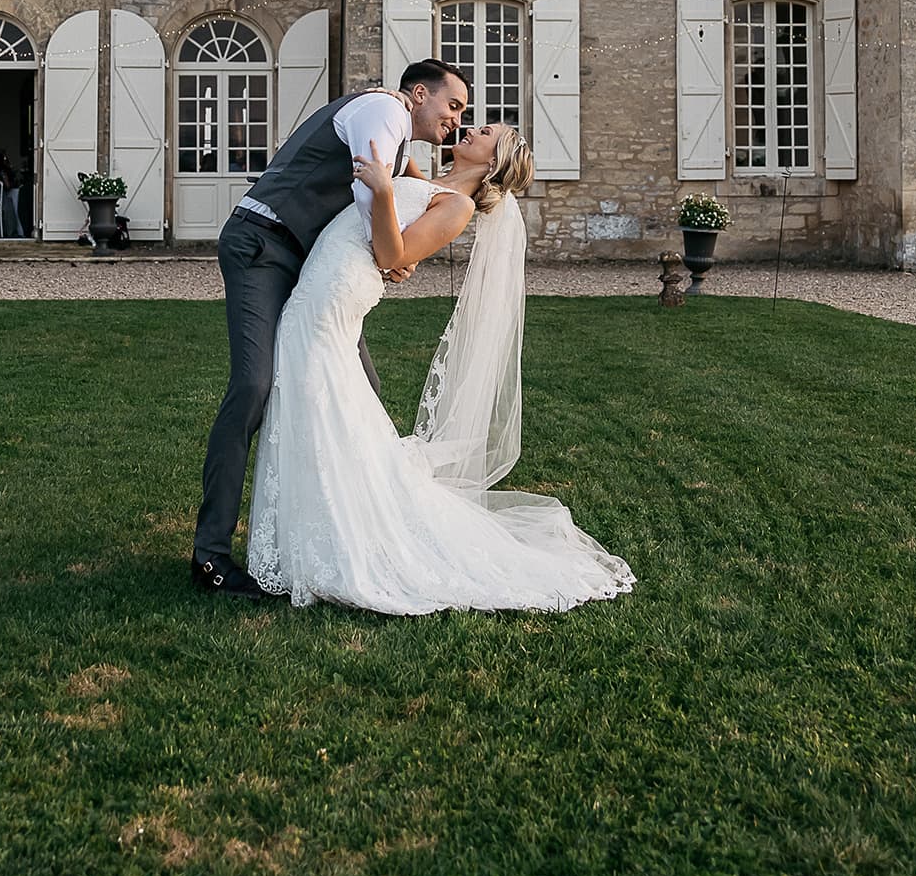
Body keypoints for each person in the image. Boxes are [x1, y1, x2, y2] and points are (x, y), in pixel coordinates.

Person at [245, 125, 634, 615]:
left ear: (493, 163)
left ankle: (336, 542)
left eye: (485, 132)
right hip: (327, 277)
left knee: (316, 394)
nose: (471, 126)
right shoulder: (431, 181)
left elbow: (395, 255)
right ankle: (324, 530)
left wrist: (384, 192)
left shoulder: (459, 207)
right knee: (324, 399)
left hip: (338, 291)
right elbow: (407, 158)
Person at [191, 59, 468, 594]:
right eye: (452, 105)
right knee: (252, 387)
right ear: (417, 94)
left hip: (309, 265)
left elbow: (405, 193)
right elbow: (370, 194)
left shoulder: (397, 136)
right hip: (263, 244)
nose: (457, 119)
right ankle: (211, 556)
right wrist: (392, 256)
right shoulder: (384, 109)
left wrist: (400, 249)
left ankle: (350, 535)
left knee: (363, 387)